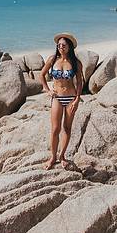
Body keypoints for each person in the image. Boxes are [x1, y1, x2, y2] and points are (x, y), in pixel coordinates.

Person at [40, 33, 82, 170]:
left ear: (69, 46)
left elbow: (80, 82)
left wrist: (77, 100)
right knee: (55, 129)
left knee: (67, 128)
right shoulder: (52, 60)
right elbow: (41, 75)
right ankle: (53, 157)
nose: (61, 47)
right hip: (57, 97)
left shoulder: (76, 63)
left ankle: (62, 156)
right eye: (59, 45)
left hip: (71, 98)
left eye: (63, 45)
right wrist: (48, 90)